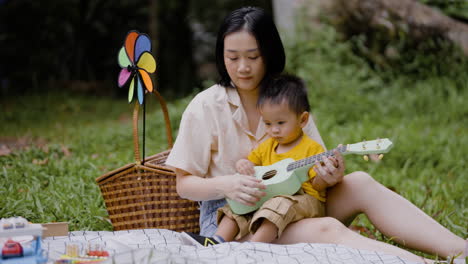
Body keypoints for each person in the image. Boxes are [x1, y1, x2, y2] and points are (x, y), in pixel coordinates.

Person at [165, 6, 466, 263]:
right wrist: (228, 184)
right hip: (236, 220)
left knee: (359, 182)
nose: (242, 68)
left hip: (297, 202)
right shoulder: (205, 106)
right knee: (327, 230)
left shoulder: (287, 98)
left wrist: (328, 176)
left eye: (253, 57)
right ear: (222, 57)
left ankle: (460, 251)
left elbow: (313, 177)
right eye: (232, 58)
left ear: (269, 54)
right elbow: (184, 185)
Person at [180, 74, 330, 246]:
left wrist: (324, 178)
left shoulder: (312, 148)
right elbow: (252, 161)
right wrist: (243, 165)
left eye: (280, 123)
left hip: (305, 200)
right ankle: (216, 240)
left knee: (277, 204)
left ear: (302, 120)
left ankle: (253, 247)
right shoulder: (268, 145)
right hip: (273, 196)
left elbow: (317, 184)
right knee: (241, 204)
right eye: (267, 123)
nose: (274, 130)